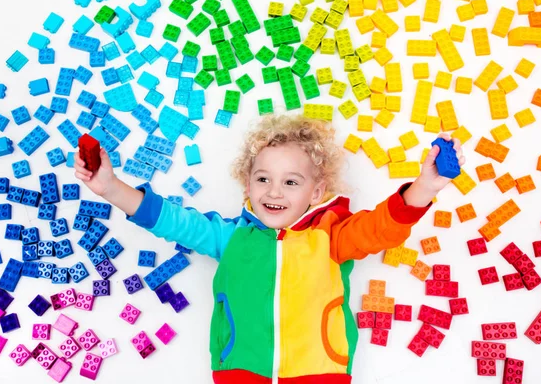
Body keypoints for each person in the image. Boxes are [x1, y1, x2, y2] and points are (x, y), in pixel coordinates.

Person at [74, 114, 465, 384]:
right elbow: (171, 220)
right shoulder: (229, 238)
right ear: (248, 186)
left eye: (291, 182)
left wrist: (425, 188)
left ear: (316, 193)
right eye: (263, 179)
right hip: (239, 372)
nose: (274, 191)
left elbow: (380, 229)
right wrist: (111, 188)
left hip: (320, 373)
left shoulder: (331, 237)